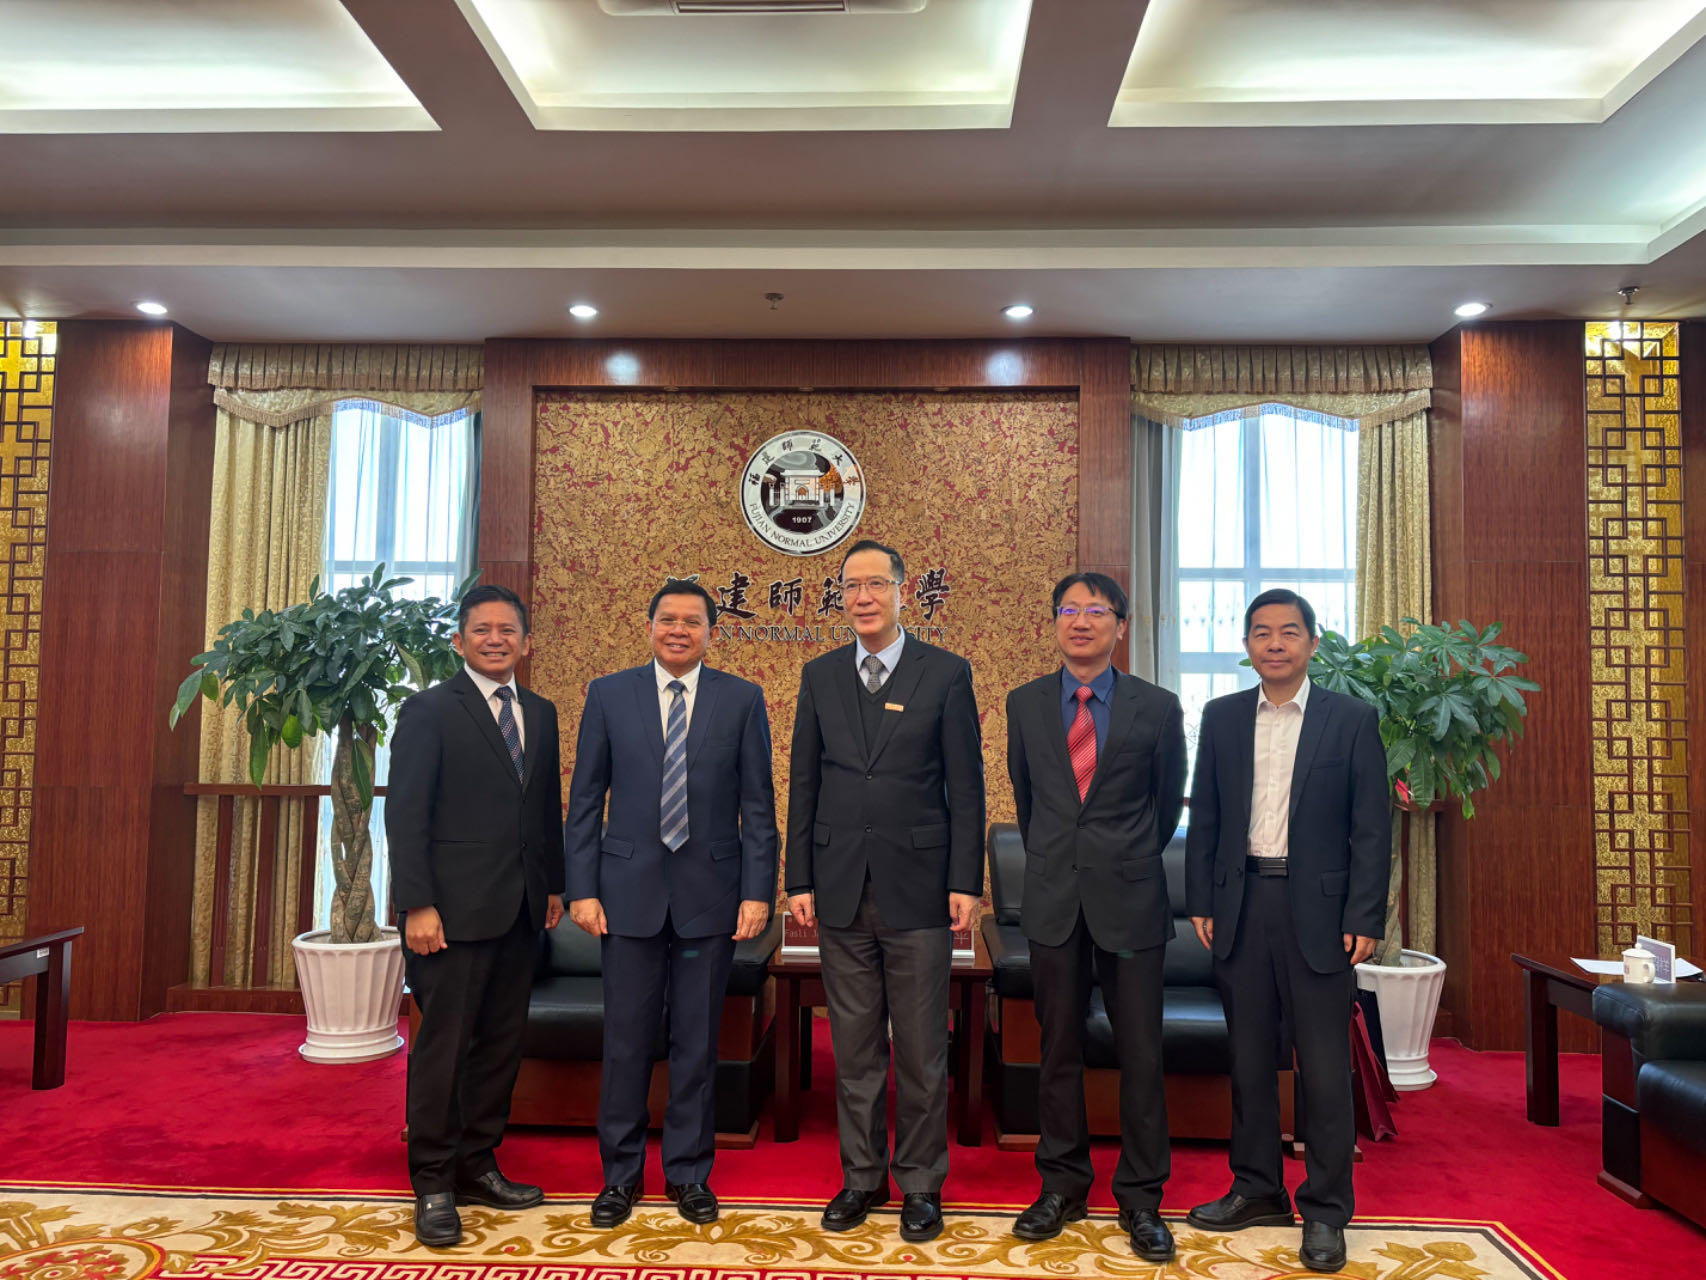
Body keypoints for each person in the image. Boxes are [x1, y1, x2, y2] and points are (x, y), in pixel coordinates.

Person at [784, 538, 985, 1244]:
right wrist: (798, 876)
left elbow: (966, 786)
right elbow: (804, 780)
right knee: (855, 1047)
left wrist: (965, 881)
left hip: (921, 889)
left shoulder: (946, 673)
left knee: (924, 1049)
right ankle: (862, 1178)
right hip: (839, 885)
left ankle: (922, 1184)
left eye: (876, 584)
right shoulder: (820, 674)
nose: (863, 597)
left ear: (902, 591)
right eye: (851, 586)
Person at [1184, 588, 1390, 1275]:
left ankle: (1325, 1210)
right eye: (1262, 632)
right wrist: (1203, 899)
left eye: (1289, 632)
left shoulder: (1351, 719)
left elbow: (1371, 826)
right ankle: (1257, 1189)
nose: (1275, 643)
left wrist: (1363, 915)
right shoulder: (1222, 716)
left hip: (1322, 917)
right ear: (1246, 645)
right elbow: (1206, 814)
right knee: (1247, 1060)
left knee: (1324, 1069)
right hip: (1241, 904)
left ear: (1312, 643)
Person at [565, 578, 778, 1228]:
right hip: (626, 896)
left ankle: (688, 1173)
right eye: (667, 619)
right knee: (627, 1043)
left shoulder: (740, 699)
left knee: (696, 1042)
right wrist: (582, 889)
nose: (678, 630)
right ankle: (620, 1177)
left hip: (709, 898)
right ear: (649, 626)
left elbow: (758, 807)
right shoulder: (609, 694)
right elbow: (584, 802)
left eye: (692, 621)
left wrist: (757, 892)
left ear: (712, 632)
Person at [1004, 572, 1185, 1262]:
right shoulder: (1025, 704)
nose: (1081, 621)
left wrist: (1120, 860)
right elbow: (1028, 802)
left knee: (1141, 1052)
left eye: (1096, 611)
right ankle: (1062, 1185)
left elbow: (1165, 804)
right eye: (1069, 610)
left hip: (1131, 902)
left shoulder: (1157, 707)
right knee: (1058, 1050)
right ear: (1055, 622)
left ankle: (1141, 1197)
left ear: (1121, 625)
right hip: (1054, 900)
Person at [387, 583, 566, 1249]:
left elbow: (542, 810)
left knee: (499, 1046)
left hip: (520, 910)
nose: (496, 639)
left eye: (508, 630)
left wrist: (553, 887)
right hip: (449, 915)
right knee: (445, 1048)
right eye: (483, 630)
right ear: (459, 641)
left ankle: (477, 1163)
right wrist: (416, 904)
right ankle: (433, 1179)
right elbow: (405, 813)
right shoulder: (429, 710)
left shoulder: (539, 712)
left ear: (527, 642)